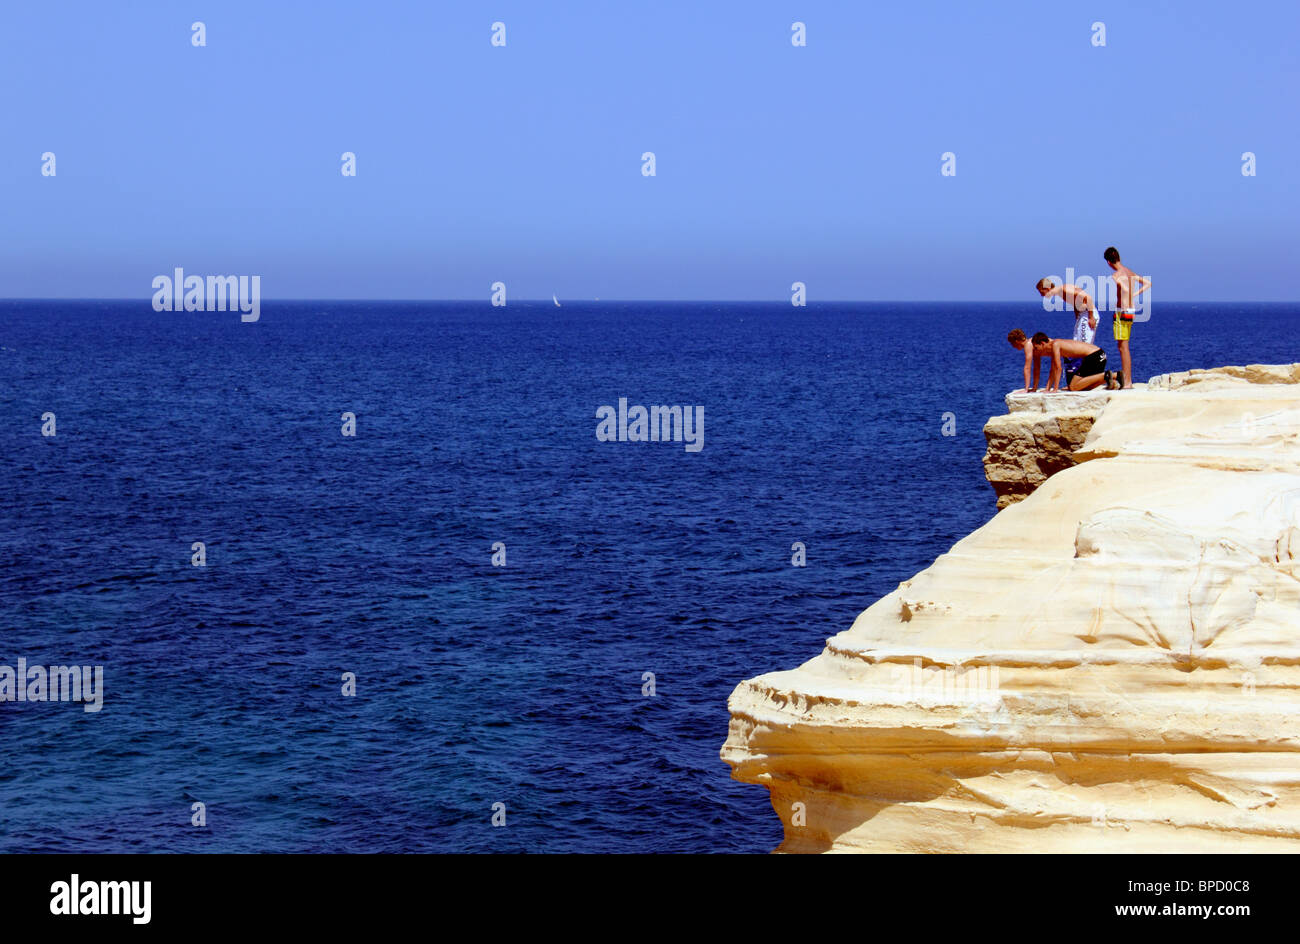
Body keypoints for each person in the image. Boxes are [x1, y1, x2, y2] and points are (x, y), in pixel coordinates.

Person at [1007, 329, 1115, 393]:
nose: (1013, 347)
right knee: (1079, 388)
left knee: (1073, 387)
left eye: (1012, 344)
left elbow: (1028, 367)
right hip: (1091, 356)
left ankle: (1108, 376)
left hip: (1084, 357)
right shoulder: (1037, 345)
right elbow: (1038, 369)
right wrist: (1037, 388)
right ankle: (1113, 380)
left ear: (1016, 341)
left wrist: (1027, 389)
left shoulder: (1030, 345)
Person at [1103, 247, 1151, 389]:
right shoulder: (1129, 272)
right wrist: (1134, 296)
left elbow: (1124, 289)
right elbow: (1148, 284)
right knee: (1124, 346)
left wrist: (1126, 300)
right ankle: (1128, 380)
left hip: (1122, 312)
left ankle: (1128, 382)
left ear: (1108, 262)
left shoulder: (1116, 275)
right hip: (1130, 310)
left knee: (1123, 347)